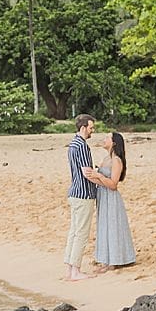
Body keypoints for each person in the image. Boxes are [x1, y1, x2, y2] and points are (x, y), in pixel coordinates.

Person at [82, 130, 135, 270]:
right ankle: (106, 259)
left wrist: (98, 176)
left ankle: (115, 261)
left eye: (107, 138)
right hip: (102, 195)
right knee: (104, 226)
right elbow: (101, 181)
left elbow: (113, 184)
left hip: (111, 197)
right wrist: (90, 175)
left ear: (114, 143)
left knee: (113, 226)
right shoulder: (106, 159)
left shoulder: (116, 160)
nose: (104, 139)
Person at [63, 113, 97, 281]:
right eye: (91, 128)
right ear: (83, 127)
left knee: (74, 232)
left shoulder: (72, 144)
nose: (93, 131)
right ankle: (75, 270)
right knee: (81, 233)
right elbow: (86, 172)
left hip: (74, 192)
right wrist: (101, 179)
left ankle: (69, 269)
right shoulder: (82, 146)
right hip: (83, 194)